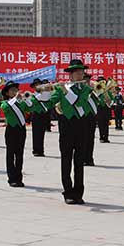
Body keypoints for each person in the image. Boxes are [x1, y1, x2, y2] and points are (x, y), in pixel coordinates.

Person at [47, 59, 93, 204]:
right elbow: (50, 102)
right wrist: (41, 95)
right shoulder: (61, 88)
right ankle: (68, 191)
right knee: (66, 159)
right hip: (66, 126)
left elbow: (79, 102)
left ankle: (78, 192)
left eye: (82, 72)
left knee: (79, 161)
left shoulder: (86, 89)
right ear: (71, 75)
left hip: (81, 125)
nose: (81, 74)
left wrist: (65, 90)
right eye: (78, 72)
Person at [1, 81, 36, 187]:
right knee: (11, 154)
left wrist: (26, 98)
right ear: (7, 93)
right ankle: (11, 178)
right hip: (11, 130)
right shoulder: (6, 103)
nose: (15, 91)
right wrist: (15, 98)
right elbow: (5, 108)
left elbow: (31, 108)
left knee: (19, 154)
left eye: (16, 89)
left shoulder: (21, 102)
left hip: (21, 130)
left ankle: (18, 177)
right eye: (12, 90)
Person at [30, 78, 51, 157]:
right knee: (35, 134)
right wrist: (41, 93)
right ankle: (35, 150)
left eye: (39, 84)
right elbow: (32, 102)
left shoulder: (45, 93)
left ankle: (41, 150)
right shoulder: (33, 95)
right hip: (36, 115)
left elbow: (48, 99)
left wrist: (46, 90)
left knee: (42, 133)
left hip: (43, 115)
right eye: (36, 85)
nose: (37, 86)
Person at [83, 73, 100, 166]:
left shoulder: (94, 91)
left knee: (90, 138)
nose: (87, 81)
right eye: (85, 79)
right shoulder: (81, 91)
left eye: (88, 80)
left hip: (91, 116)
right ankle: (83, 158)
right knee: (82, 138)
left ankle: (89, 158)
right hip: (82, 116)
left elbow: (103, 100)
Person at [95, 76, 112, 143]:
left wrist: (108, 100)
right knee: (100, 124)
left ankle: (106, 137)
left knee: (106, 124)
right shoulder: (96, 91)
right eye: (100, 82)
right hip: (99, 108)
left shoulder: (108, 91)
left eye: (102, 82)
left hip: (106, 108)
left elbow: (111, 99)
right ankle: (101, 137)